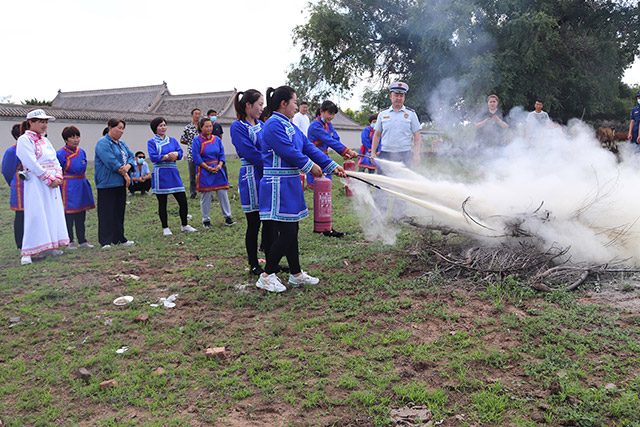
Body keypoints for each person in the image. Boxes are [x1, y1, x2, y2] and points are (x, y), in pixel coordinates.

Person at [257, 85, 347, 292]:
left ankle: (295, 273)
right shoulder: (272, 125)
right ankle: (266, 275)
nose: (297, 106)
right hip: (277, 185)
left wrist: (331, 165)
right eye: (295, 102)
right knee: (287, 232)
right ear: (283, 103)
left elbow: (308, 148)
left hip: (289, 183)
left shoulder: (290, 126)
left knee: (292, 229)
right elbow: (288, 151)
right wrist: (310, 167)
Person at [16, 109, 69, 265]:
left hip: (51, 182)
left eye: (45, 122)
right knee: (36, 213)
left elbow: (55, 160)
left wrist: (58, 176)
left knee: (51, 212)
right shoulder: (24, 140)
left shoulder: (45, 141)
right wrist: (48, 178)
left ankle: (50, 245)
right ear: (30, 122)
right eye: (41, 121)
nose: (44, 125)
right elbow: (31, 163)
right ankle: (28, 250)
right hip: (36, 182)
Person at [230, 89, 274, 275]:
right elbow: (250, 152)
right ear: (248, 105)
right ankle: (253, 264)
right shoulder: (238, 126)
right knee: (254, 222)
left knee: (269, 221)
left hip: (265, 173)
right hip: (251, 175)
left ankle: (271, 261)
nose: (261, 108)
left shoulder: (261, 125)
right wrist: (270, 166)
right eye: (260, 104)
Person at [370, 82, 422, 221]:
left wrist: (416, 155)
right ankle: (378, 216)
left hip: (404, 155)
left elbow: (417, 136)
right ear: (391, 97)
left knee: (401, 185)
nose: (398, 98)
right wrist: (373, 152)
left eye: (401, 95)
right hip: (386, 154)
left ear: (404, 98)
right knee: (383, 185)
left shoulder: (410, 114)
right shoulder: (383, 114)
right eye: (396, 95)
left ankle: (398, 216)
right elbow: (377, 134)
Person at [306, 100, 357, 237]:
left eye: (333, 114)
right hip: (316, 161)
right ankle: (322, 226)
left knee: (325, 193)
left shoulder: (327, 124)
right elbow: (330, 140)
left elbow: (336, 138)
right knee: (321, 193)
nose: (331, 117)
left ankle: (325, 226)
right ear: (321, 111)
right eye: (329, 113)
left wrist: (346, 152)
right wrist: (346, 150)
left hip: (325, 160)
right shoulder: (316, 125)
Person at [147, 117, 197, 235]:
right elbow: (153, 156)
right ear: (155, 128)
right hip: (161, 174)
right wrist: (166, 157)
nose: (163, 127)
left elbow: (180, 152)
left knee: (183, 200)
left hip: (173, 173)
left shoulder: (173, 140)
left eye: (164, 125)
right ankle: (165, 227)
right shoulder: (152, 142)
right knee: (162, 202)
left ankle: (184, 224)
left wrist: (176, 155)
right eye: (160, 126)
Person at [94, 118, 136, 249]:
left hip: (119, 183)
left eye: (123, 128)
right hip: (107, 182)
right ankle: (105, 240)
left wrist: (128, 167)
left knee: (119, 211)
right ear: (110, 127)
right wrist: (124, 173)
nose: (121, 131)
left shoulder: (121, 144)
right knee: (106, 212)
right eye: (119, 127)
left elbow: (131, 156)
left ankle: (119, 238)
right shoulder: (103, 143)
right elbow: (110, 161)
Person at [191, 117, 235, 227]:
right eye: (206, 126)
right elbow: (196, 157)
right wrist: (208, 168)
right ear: (201, 127)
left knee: (222, 193)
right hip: (205, 170)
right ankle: (206, 219)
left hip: (218, 169)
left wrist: (219, 166)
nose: (209, 128)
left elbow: (221, 154)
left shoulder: (217, 139)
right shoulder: (197, 140)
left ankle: (228, 217)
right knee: (206, 196)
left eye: (210, 126)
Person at [56, 126, 95, 250]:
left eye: (77, 137)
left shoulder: (81, 152)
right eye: (72, 137)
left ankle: (82, 240)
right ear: (66, 139)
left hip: (81, 184)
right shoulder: (60, 154)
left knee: (81, 214)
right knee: (69, 215)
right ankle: (70, 241)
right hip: (68, 186)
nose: (76, 140)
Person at [2, 124, 25, 249]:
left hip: (32, 186)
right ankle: (20, 243)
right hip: (19, 187)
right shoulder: (12, 151)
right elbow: (6, 170)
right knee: (21, 215)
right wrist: (13, 183)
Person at [180, 108, 201, 199]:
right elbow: (182, 140)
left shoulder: (203, 126)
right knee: (192, 175)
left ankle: (206, 190)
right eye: (196, 113)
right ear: (192, 115)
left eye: (199, 114)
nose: (197, 115)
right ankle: (193, 192)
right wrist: (191, 144)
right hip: (191, 153)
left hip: (203, 153)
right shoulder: (188, 127)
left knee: (203, 173)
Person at [207, 109, 230, 184]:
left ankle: (225, 181)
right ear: (208, 116)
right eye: (212, 115)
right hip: (208, 149)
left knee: (222, 164)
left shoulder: (218, 126)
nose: (214, 117)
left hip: (217, 148)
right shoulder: (206, 127)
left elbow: (220, 136)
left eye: (215, 115)